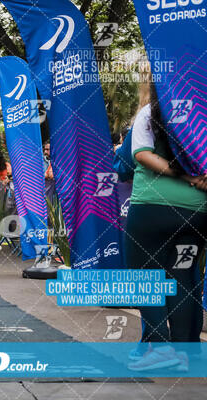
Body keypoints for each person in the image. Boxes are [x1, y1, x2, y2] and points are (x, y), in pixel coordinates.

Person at [126, 81, 207, 371]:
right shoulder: (202, 114)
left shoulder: (153, 112)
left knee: (145, 280)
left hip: (153, 210)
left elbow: (142, 155)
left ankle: (158, 348)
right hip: (197, 213)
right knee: (184, 279)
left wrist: (183, 175)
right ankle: (185, 353)